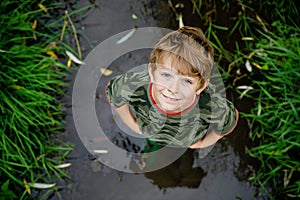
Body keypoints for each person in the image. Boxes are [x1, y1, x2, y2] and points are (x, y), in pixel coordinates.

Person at [105, 26, 239, 151]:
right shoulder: (135, 84)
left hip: (185, 141)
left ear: (201, 87)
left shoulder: (209, 103)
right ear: (152, 71)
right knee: (151, 149)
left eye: (186, 81)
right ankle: (151, 150)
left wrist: (202, 143)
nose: (173, 89)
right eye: (166, 75)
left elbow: (228, 121)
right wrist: (132, 124)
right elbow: (115, 93)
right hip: (150, 131)